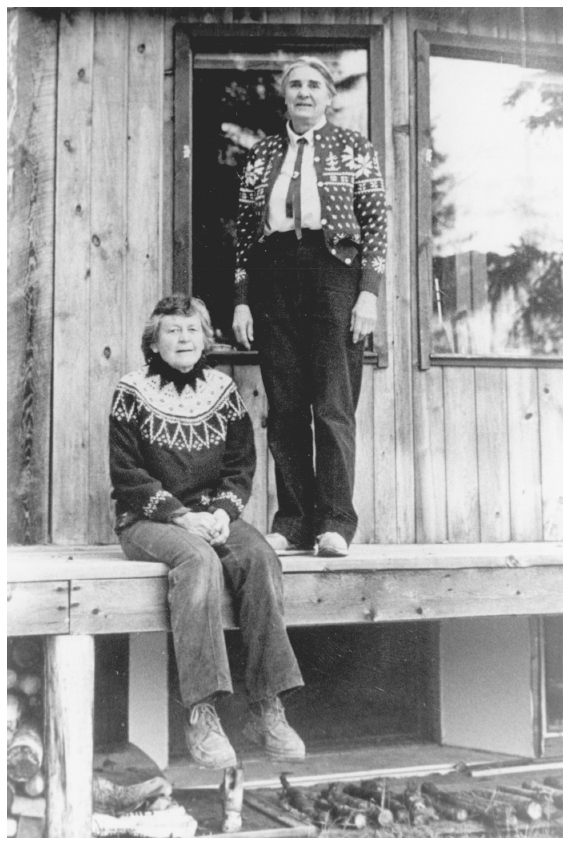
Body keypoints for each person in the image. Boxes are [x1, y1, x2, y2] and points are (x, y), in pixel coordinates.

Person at [109, 294, 305, 769]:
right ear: (154, 342)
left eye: (192, 329)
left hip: (211, 517)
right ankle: (201, 711)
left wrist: (222, 512)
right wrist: (181, 516)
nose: (183, 338)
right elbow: (127, 475)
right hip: (148, 521)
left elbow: (240, 467)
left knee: (258, 557)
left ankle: (267, 708)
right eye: (172, 330)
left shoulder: (223, 391)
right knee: (197, 560)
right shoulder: (130, 391)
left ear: (206, 339)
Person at [232, 55, 387, 558]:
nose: (303, 92)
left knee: (334, 406)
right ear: (285, 95)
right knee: (286, 407)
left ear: (328, 95)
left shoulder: (352, 147)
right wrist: (241, 301)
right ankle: (294, 521)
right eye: (294, 84)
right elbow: (243, 237)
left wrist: (368, 293)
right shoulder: (262, 154)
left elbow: (376, 228)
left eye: (313, 85)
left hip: (333, 273)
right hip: (274, 276)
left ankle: (336, 523)